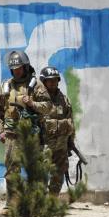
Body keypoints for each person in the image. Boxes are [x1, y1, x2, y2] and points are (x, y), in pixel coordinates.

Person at [0, 51, 50, 217]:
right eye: (14, 69)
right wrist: (1, 131)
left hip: (31, 134)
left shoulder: (36, 85)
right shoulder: (6, 87)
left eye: (19, 68)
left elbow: (47, 107)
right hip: (11, 135)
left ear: (25, 67)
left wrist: (31, 103)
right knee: (11, 171)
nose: (16, 71)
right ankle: (11, 206)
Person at [39, 66, 76, 196]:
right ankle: (39, 201)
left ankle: (52, 200)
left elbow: (70, 120)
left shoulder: (64, 100)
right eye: (50, 80)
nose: (53, 82)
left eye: (55, 80)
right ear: (43, 81)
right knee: (41, 174)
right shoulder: (38, 99)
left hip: (61, 146)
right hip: (44, 146)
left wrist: (71, 141)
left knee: (59, 173)